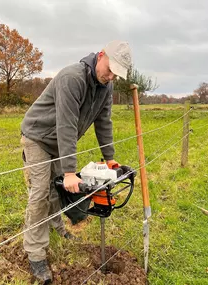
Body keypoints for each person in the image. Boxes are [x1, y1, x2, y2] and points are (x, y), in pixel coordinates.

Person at [20, 40, 132, 284]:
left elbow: (104, 122)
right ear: (101, 55)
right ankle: (35, 253)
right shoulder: (73, 78)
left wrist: (110, 159)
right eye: (110, 69)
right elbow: (66, 125)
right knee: (40, 193)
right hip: (38, 137)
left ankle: (58, 229)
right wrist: (71, 171)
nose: (111, 76)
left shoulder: (106, 87)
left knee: (57, 189)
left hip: (60, 142)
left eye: (116, 74)